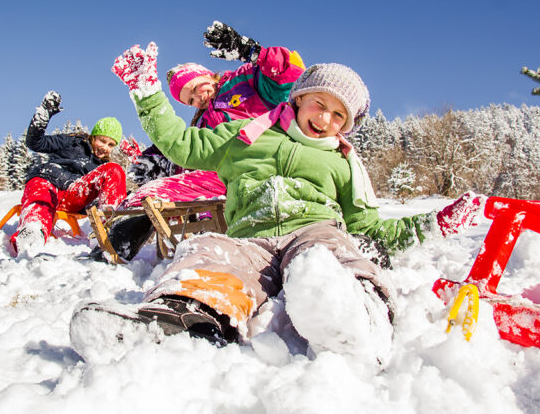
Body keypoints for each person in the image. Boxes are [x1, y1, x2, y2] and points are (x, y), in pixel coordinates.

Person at [70, 46, 486, 367]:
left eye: (339, 115)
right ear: (300, 98)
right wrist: (147, 92)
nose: (325, 119)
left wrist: (434, 223)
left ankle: (357, 319)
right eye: (319, 104)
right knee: (210, 252)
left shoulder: (342, 160)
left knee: (331, 255)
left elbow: (368, 226)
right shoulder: (248, 135)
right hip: (251, 236)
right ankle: (175, 317)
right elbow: (181, 144)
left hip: (314, 229)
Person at [90, 21, 306, 263]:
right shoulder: (201, 122)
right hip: (219, 177)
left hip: (259, 168)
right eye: (190, 100)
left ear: (205, 73)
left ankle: (112, 250)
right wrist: (153, 159)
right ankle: (110, 248)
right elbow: (191, 149)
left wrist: (251, 52)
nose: (197, 98)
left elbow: (291, 78)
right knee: (153, 192)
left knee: (159, 192)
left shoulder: (244, 81)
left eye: (194, 88)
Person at [11, 91, 127, 257]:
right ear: (93, 136)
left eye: (110, 145)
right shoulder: (73, 141)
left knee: (114, 169)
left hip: (74, 194)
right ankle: (33, 231)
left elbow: (105, 194)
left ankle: (107, 232)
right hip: (48, 182)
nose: (105, 147)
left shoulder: (102, 166)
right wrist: (44, 115)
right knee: (41, 198)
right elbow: (35, 143)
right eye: (102, 140)